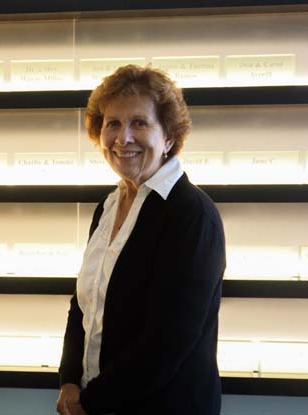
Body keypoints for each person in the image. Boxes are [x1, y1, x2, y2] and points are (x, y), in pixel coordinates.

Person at [56, 65, 225, 415]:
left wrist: (92, 403)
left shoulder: (192, 215)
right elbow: (85, 302)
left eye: (140, 123)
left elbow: (168, 341)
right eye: (112, 123)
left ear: (169, 137)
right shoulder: (109, 205)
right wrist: (70, 380)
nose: (123, 138)